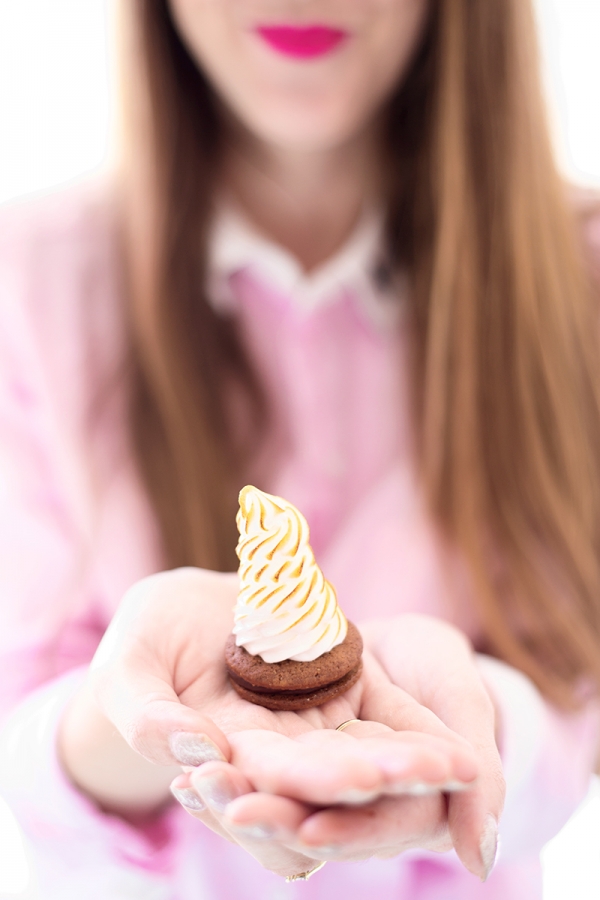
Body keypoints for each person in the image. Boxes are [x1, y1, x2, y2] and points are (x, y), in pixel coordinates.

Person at [1, 0, 600, 897]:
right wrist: (124, 707)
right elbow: (23, 769)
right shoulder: (29, 286)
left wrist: (473, 721)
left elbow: (574, 711)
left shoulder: (578, 277)